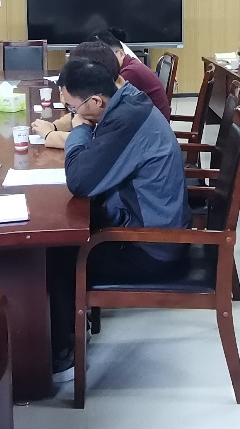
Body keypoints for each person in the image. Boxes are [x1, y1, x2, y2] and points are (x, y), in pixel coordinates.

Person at [47, 57, 192, 378]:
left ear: (96, 101)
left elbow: (81, 181)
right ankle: (68, 333)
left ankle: (62, 356)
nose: (72, 114)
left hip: (153, 247)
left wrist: (80, 129)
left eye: (73, 107)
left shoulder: (126, 121)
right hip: (148, 225)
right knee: (66, 234)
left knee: (55, 256)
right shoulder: (128, 102)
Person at [31, 42, 122, 148]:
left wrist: (49, 135)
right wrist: (54, 126)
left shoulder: (120, 114)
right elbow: (83, 115)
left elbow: (93, 142)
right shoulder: (111, 92)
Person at [89, 30, 171, 119]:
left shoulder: (130, 72)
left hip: (151, 124)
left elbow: (106, 107)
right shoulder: (129, 64)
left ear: (121, 53)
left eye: (107, 57)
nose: (103, 61)